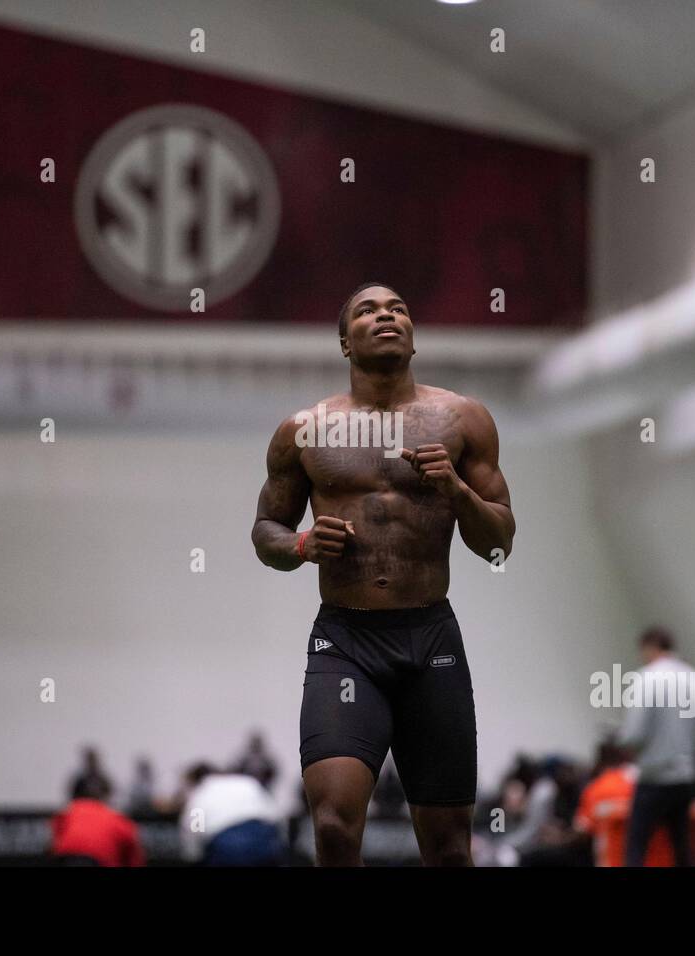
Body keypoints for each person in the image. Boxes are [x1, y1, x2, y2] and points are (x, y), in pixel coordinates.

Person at [251, 282, 515, 866]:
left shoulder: (463, 420)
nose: (386, 315)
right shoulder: (304, 431)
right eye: (368, 311)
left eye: (398, 308)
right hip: (346, 641)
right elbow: (264, 532)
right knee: (336, 828)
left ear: (414, 338)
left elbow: (499, 543)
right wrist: (300, 543)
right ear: (346, 342)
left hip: (431, 642)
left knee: (449, 846)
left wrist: (456, 489)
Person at [618, 627, 695, 866]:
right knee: (681, 845)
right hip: (686, 776)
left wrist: (624, 741)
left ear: (650, 647)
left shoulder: (647, 678)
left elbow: (633, 734)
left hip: (654, 777)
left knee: (636, 846)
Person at [178, 763, 286, 866]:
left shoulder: (199, 795)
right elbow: (276, 815)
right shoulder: (248, 783)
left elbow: (194, 832)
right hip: (264, 843)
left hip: (227, 848)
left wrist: (193, 858)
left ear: (194, 781)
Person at [51, 776, 146, 866]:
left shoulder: (71, 810)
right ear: (106, 796)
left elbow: (55, 835)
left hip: (66, 857)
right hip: (98, 859)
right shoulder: (117, 819)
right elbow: (134, 858)